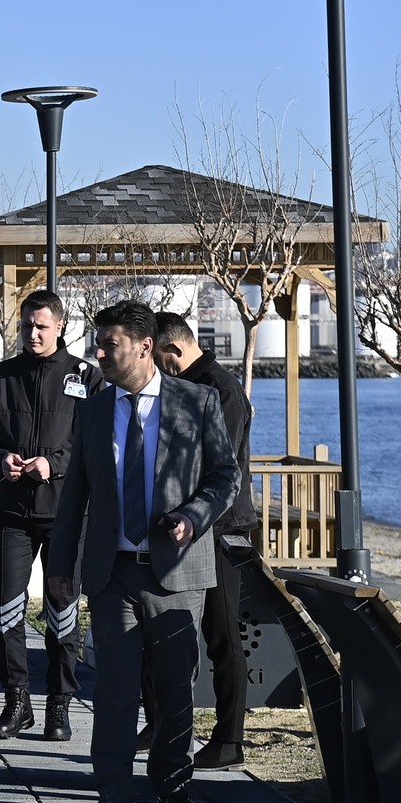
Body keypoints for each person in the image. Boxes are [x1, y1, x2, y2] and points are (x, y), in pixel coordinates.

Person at [46, 300, 237, 803]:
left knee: (177, 689)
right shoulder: (94, 410)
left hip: (176, 570)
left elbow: (226, 476)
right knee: (114, 690)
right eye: (98, 344)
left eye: (110, 345)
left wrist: (194, 517)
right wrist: (61, 565)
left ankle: (173, 786)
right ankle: (111, 795)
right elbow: (74, 497)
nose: (99, 353)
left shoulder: (196, 403)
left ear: (145, 346)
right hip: (112, 573)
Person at [0, 288, 97, 744]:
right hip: (11, 512)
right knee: (6, 607)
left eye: (42, 326)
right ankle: (16, 700)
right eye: (26, 326)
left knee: (62, 609)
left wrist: (54, 464)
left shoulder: (87, 377)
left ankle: (58, 703)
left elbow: (92, 438)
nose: (33, 334)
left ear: (61, 326)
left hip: (64, 513)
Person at [153, 310, 257, 769]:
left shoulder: (221, 388)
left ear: (174, 348)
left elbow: (221, 465)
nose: (155, 368)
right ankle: (162, 723)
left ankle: (230, 738)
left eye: (158, 357)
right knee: (170, 630)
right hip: (186, 524)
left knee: (221, 633)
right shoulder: (183, 384)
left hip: (221, 527)